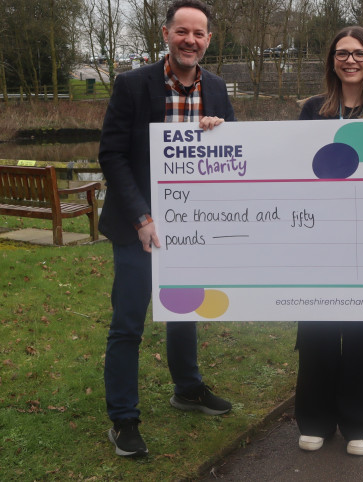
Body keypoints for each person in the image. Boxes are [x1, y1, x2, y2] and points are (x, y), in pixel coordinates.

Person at [98, 0, 235, 458]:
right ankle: (123, 419)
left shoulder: (215, 88)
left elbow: (232, 153)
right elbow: (112, 155)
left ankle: (188, 389)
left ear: (209, 40)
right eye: (182, 31)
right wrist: (141, 216)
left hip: (191, 224)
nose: (190, 40)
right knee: (128, 324)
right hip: (138, 224)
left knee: (185, 309)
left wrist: (218, 132)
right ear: (165, 34)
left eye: (199, 33)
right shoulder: (132, 85)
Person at [295, 26, 363, 457]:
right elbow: (287, 163)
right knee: (318, 324)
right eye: (342, 53)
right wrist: (215, 129)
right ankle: (316, 418)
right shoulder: (311, 111)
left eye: (359, 53)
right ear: (331, 61)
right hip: (320, 237)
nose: (350, 60)